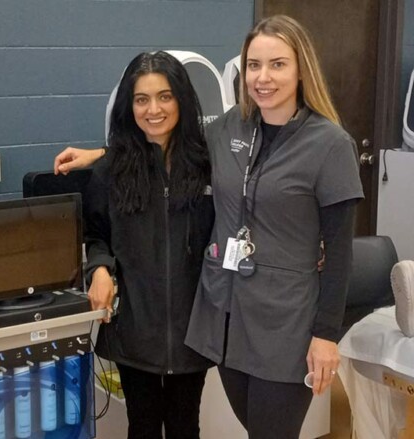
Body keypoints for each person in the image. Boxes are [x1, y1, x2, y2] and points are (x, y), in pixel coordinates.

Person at [55, 15, 363, 439]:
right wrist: (101, 156)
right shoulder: (232, 128)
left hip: (280, 319)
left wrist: (327, 335)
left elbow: (341, 251)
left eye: (277, 64)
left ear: (300, 69)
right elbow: (158, 140)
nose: (263, 77)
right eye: (254, 65)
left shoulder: (328, 145)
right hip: (226, 320)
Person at [84, 51, 214, 439]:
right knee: (141, 424)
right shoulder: (110, 171)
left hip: (194, 328)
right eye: (142, 99)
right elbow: (95, 235)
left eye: (165, 96)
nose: (153, 109)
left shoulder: (209, 164)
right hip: (135, 328)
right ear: (129, 105)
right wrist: (101, 269)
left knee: (184, 424)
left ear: (182, 100)